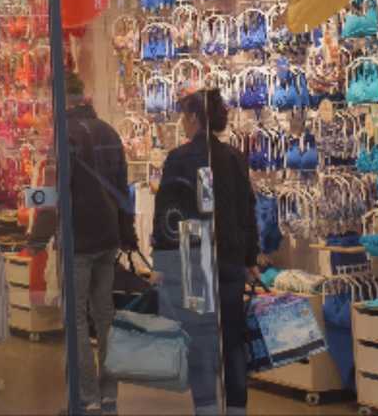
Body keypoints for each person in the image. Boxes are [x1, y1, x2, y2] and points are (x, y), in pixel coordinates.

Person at [151, 89, 257, 416]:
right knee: (233, 341)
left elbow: (166, 216)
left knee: (199, 339)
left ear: (195, 117)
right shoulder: (234, 157)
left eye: (184, 116)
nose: (182, 122)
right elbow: (247, 210)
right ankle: (236, 408)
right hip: (230, 259)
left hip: (193, 263)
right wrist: (250, 258)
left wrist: (160, 261)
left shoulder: (179, 159)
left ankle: (207, 407)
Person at [63, 72, 137, 414]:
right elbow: (123, 188)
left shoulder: (65, 134)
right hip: (108, 235)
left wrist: (39, 237)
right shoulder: (109, 131)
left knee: (77, 318)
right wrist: (127, 233)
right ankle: (109, 393)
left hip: (78, 236)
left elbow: (57, 191)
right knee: (105, 315)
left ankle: (87, 395)